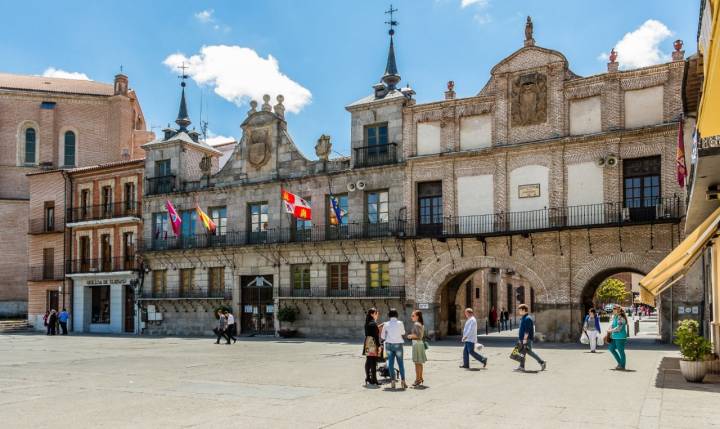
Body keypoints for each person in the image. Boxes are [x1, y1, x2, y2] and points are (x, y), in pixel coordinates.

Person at [380, 308, 407, 389]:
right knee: (401, 363)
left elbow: (382, 336)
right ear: (397, 315)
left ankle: (392, 381)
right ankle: (403, 381)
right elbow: (403, 333)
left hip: (389, 345)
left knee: (391, 364)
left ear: (389, 315)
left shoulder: (386, 324)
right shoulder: (400, 323)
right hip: (398, 344)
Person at [516, 304, 546, 372]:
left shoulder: (528, 318)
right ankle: (521, 366)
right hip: (522, 339)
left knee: (528, 351)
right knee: (522, 352)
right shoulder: (523, 318)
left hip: (527, 339)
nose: (519, 312)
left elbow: (527, 331)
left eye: (520, 310)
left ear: (524, 310)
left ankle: (542, 362)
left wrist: (524, 339)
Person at [407, 310, 427, 387]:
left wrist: (410, 336)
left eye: (413, 315)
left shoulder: (416, 324)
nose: (411, 317)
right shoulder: (420, 324)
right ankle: (420, 378)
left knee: (417, 363)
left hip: (417, 344)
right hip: (420, 344)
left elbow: (418, 336)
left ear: (417, 316)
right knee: (419, 363)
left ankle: (417, 379)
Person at [607, 304, 629, 370]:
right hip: (615, 336)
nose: (613, 310)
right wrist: (610, 328)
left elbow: (619, 328)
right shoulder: (615, 316)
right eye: (613, 309)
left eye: (614, 309)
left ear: (617, 310)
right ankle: (620, 363)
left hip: (620, 337)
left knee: (621, 351)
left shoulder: (620, 317)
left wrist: (610, 331)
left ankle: (622, 365)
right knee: (611, 348)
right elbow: (613, 325)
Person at [363, 308, 380, 387]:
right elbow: (376, 336)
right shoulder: (373, 323)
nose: (377, 315)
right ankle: (374, 379)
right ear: (372, 314)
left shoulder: (367, 322)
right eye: (376, 313)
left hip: (367, 341)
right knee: (373, 361)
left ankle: (368, 378)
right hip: (372, 342)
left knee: (369, 360)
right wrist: (379, 346)